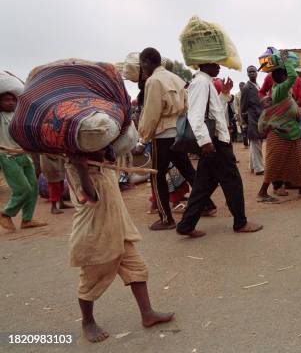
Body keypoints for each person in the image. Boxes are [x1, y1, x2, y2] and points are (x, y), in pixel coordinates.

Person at [66, 151, 173, 343]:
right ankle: (87, 322)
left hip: (120, 231)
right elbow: (91, 198)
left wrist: (108, 154)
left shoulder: (107, 166)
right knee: (90, 282)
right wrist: (82, 168)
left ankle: (147, 314)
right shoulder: (74, 169)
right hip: (95, 236)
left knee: (137, 270)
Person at [176, 63, 263, 237]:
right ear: (204, 63)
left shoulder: (205, 82)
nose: (219, 66)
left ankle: (186, 225)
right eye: (215, 63)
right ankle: (240, 222)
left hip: (213, 142)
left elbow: (213, 112)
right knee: (233, 182)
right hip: (214, 143)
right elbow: (195, 116)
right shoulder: (201, 82)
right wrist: (204, 141)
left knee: (203, 186)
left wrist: (223, 94)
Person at [135, 47, 201, 230]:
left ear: (147, 62)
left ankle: (166, 218)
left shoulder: (153, 81)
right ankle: (207, 204)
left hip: (162, 134)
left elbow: (151, 113)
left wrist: (142, 140)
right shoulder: (176, 78)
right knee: (188, 170)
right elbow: (187, 104)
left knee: (157, 176)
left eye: (142, 64)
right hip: (177, 132)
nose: (142, 68)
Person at [256, 57, 301, 202]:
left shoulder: (285, 91)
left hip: (292, 133)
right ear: (281, 77)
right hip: (279, 133)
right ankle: (262, 192)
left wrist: (296, 112)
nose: (288, 78)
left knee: (299, 162)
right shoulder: (280, 89)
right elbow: (293, 76)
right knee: (274, 163)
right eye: (285, 75)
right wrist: (287, 62)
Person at [0, 90, 47, 232]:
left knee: (33, 187)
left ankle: (27, 219)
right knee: (22, 188)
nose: (10, 102)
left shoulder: (17, 115)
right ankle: (5, 214)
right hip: (6, 156)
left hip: (23, 154)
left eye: (13, 100)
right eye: (6, 100)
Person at [240, 65, 264, 175]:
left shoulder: (258, 85)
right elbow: (243, 107)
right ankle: (259, 168)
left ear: (257, 72)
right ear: (247, 74)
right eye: (249, 72)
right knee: (256, 142)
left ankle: (252, 166)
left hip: (260, 118)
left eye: (253, 71)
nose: (252, 73)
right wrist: (246, 121)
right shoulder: (246, 88)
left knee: (255, 143)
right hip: (252, 118)